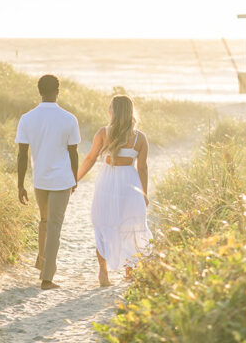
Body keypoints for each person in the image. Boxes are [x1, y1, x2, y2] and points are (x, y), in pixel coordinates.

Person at [77, 94, 151, 287]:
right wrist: (144, 193)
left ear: (113, 111)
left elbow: (90, 158)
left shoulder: (103, 132)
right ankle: (129, 271)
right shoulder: (140, 137)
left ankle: (103, 273)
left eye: (109, 108)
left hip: (108, 180)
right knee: (130, 226)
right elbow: (142, 168)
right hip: (130, 183)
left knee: (103, 223)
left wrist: (75, 179)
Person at [16, 74, 80, 290]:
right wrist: (75, 178)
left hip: (40, 179)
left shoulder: (27, 118)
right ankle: (47, 278)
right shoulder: (69, 118)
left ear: (39, 90)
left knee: (45, 221)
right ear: (58, 90)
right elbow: (73, 153)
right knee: (54, 226)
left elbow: (22, 155)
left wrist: (20, 184)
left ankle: (42, 264)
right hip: (61, 180)